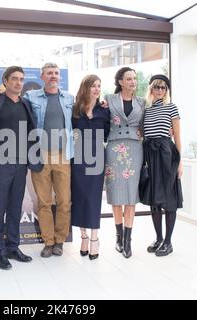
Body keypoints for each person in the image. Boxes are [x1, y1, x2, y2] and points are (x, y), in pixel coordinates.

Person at [0, 66, 42, 270]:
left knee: (15, 208)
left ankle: (13, 247)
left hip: (21, 164)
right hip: (1, 163)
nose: (18, 83)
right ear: (5, 81)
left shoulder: (25, 104)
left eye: (21, 79)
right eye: (14, 79)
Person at [23, 63, 74, 258]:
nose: (53, 76)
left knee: (63, 201)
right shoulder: (31, 97)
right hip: (40, 154)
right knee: (44, 202)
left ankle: (60, 240)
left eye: (56, 73)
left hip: (62, 155)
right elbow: (12, 99)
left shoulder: (69, 98)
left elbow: (86, 109)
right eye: (49, 73)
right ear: (42, 76)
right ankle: (48, 241)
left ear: (59, 77)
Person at [104, 67, 145, 258]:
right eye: (129, 78)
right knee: (116, 194)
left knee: (131, 195)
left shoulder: (142, 102)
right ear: (120, 81)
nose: (133, 82)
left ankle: (128, 240)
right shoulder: (108, 100)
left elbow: (146, 126)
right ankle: (119, 236)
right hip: (114, 148)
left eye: (134, 79)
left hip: (135, 150)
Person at [141, 74, 183, 257]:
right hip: (150, 153)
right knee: (154, 199)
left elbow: (178, 137)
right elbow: (142, 132)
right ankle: (158, 238)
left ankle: (168, 242)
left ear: (167, 91)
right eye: (156, 87)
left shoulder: (172, 108)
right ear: (150, 89)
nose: (159, 90)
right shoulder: (146, 110)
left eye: (163, 88)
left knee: (169, 198)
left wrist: (181, 162)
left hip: (167, 155)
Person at [71, 75, 110, 260]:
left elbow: (109, 134)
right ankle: (83, 237)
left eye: (99, 86)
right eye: (93, 86)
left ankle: (95, 239)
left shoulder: (104, 110)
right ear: (85, 88)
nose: (96, 89)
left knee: (93, 199)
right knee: (80, 197)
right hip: (78, 158)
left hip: (97, 158)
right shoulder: (74, 109)